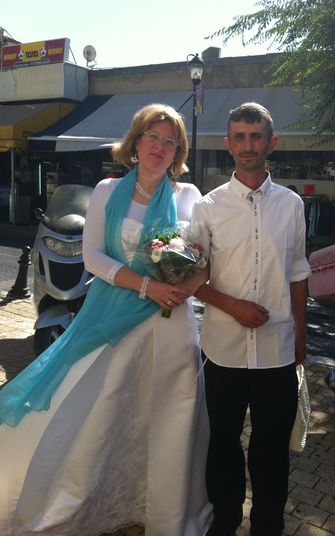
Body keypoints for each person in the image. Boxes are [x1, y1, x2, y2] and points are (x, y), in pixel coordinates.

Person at [0, 103, 212, 536]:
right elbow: (93, 258)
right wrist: (149, 287)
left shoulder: (190, 196)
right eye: (153, 137)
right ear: (136, 142)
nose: (160, 147)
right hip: (117, 316)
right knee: (106, 408)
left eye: (170, 142)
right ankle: (91, 499)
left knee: (171, 413)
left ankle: (165, 511)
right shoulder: (107, 190)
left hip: (173, 322)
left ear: (178, 152)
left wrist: (180, 290)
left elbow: (206, 262)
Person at [190, 102, 311, 536]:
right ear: (228, 144)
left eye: (255, 136)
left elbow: (298, 272)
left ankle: (267, 525)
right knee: (222, 444)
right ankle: (224, 522)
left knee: (272, 450)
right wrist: (233, 305)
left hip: (277, 351)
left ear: (271, 143)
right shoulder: (208, 207)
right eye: (239, 137)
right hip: (222, 350)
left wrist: (301, 338)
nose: (248, 145)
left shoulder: (292, 205)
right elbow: (192, 278)